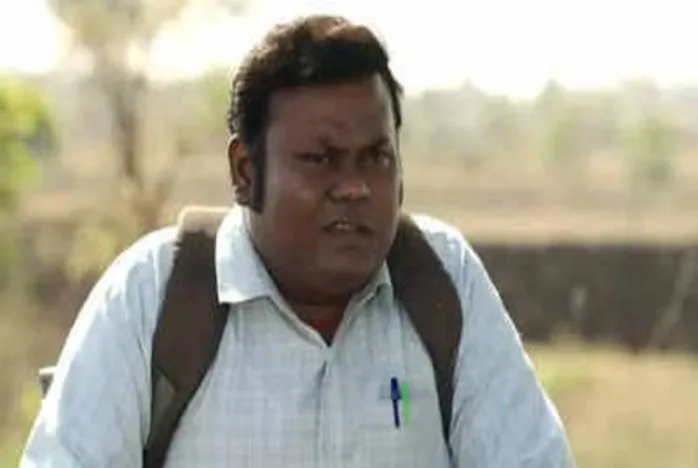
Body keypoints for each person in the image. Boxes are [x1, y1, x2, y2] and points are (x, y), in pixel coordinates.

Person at [21, 14, 575, 468]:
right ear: (245, 171)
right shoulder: (151, 296)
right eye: (321, 160)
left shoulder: (440, 282)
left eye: (376, 158)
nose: (355, 187)